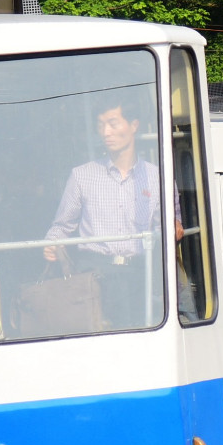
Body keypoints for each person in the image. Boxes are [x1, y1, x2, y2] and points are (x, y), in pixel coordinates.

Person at [44, 96, 158, 328]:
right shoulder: (81, 175)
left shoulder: (157, 176)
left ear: (133, 125)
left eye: (113, 123)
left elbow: (167, 225)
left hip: (141, 276)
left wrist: (174, 228)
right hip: (94, 277)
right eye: (100, 125)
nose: (106, 132)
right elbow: (61, 226)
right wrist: (51, 243)